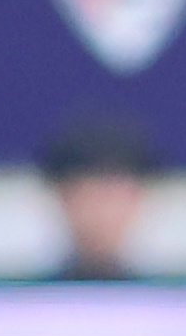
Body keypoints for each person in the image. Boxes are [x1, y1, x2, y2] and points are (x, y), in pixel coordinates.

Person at [36, 111, 156, 278]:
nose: (100, 213)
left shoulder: (167, 292)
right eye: (87, 196)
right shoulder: (24, 292)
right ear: (62, 197)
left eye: (111, 198)